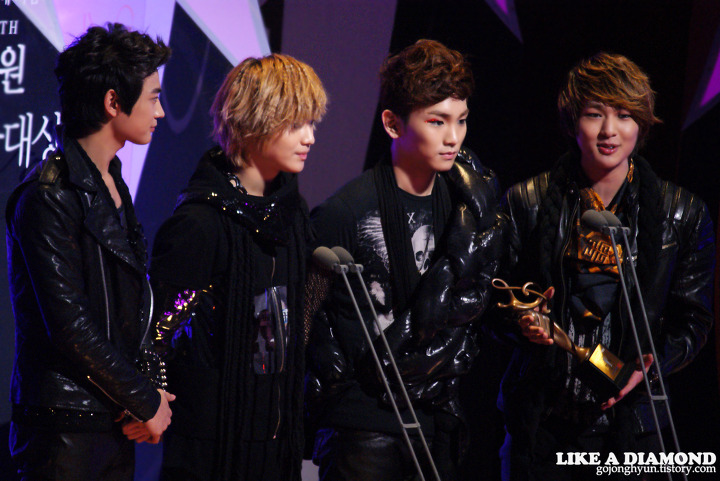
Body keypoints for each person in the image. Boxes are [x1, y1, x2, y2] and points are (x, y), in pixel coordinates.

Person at [494, 52, 715, 480]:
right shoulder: (527, 201)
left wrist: (649, 365)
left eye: (625, 115)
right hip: (541, 425)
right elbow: (491, 302)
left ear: (642, 124)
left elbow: (694, 321)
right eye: (595, 114)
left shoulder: (684, 213)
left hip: (636, 425)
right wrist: (522, 323)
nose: (609, 130)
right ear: (572, 121)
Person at [306, 39, 504, 481]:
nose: (453, 137)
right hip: (362, 425)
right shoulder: (344, 213)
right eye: (436, 121)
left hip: (437, 417)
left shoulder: (467, 205)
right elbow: (308, 323)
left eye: (461, 120)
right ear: (393, 124)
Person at [5, 23, 173, 480]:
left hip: (112, 419)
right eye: (153, 98)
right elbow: (70, 326)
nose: (160, 111)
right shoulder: (47, 196)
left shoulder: (112, 181)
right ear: (113, 102)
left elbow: (130, 308)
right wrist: (144, 400)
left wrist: (147, 396)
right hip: (64, 429)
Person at [149, 53, 327, 481]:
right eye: (296, 124)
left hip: (275, 439)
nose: (310, 138)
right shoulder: (200, 222)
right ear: (254, 122)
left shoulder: (292, 214)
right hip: (211, 446)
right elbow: (155, 333)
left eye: (312, 123)